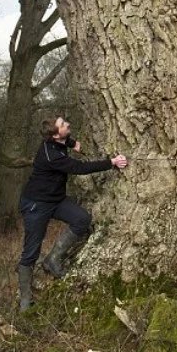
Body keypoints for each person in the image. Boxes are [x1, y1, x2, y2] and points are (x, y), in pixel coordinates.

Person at [17, 116, 127, 311]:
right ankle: (25, 300)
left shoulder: (57, 141)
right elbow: (79, 168)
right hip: (36, 205)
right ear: (55, 134)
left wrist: (72, 142)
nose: (67, 124)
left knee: (82, 219)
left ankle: (53, 259)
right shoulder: (52, 156)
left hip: (56, 200)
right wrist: (111, 162)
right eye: (63, 125)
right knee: (31, 252)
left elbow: (65, 141)